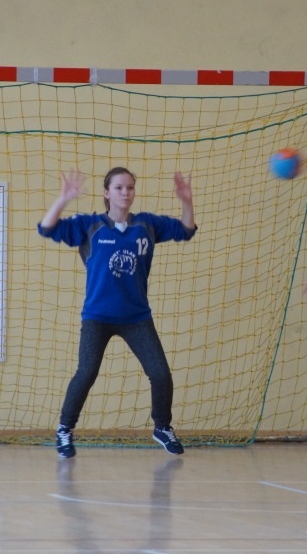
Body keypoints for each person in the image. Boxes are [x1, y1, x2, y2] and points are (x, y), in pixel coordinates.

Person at [38, 167, 197, 458]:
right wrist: (63, 199)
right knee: (86, 373)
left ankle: (162, 427)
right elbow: (46, 229)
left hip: (136, 317)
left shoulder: (146, 224)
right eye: (119, 188)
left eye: (130, 188)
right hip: (97, 317)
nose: (125, 192)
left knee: (160, 374)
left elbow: (186, 231)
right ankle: (64, 430)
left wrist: (186, 201)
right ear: (107, 193)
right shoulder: (90, 225)